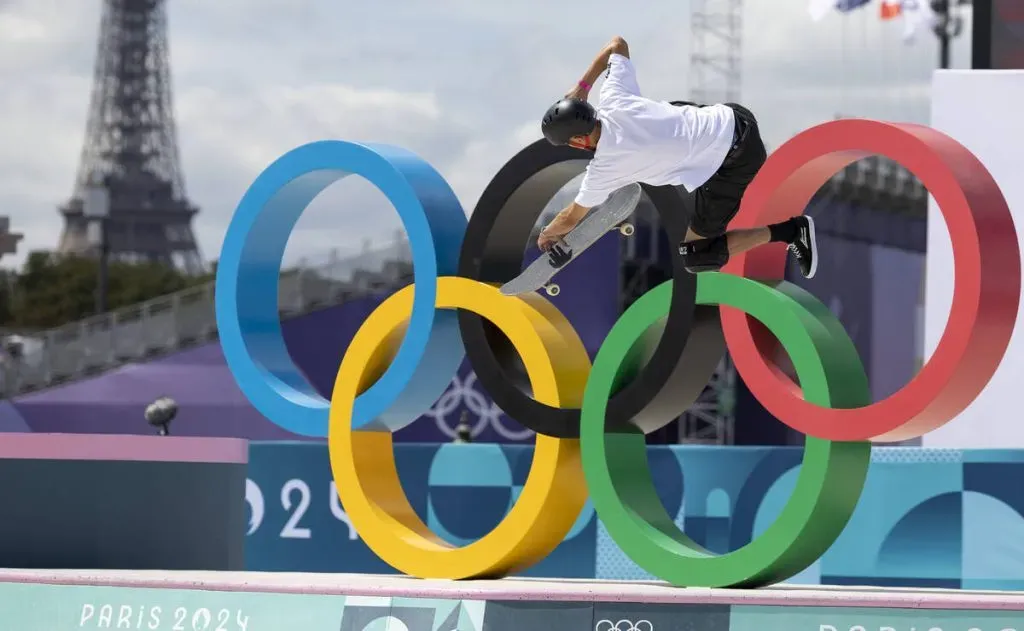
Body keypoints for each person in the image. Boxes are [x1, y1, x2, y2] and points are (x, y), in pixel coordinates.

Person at [537, 35, 818, 278]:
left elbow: (570, 217)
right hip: (732, 115)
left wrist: (547, 234)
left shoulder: (604, 168)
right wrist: (582, 87)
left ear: (576, 140)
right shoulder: (613, 98)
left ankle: (793, 231)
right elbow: (617, 44)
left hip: (734, 159)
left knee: (696, 255)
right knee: (663, 114)